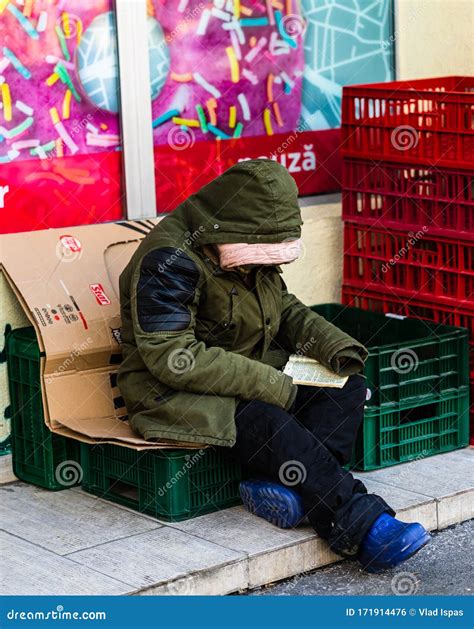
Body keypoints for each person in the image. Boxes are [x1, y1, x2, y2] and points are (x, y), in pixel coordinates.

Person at [118, 159, 430, 572]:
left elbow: (282, 307)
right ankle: (360, 525)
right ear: (232, 229)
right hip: (170, 391)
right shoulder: (168, 261)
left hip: (243, 367)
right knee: (266, 417)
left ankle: (293, 491)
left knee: (346, 386)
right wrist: (272, 383)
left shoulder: (246, 243)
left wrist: (333, 346)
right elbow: (173, 358)